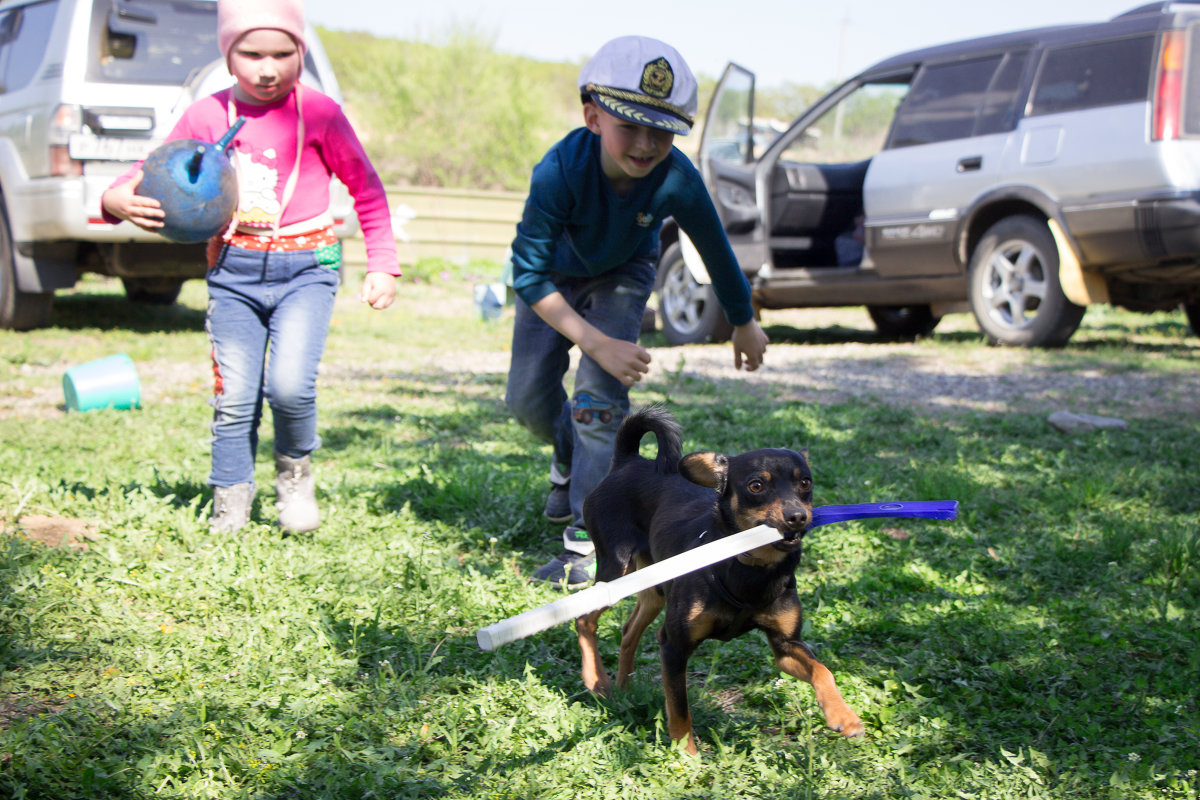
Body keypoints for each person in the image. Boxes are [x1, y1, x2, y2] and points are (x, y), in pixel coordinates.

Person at [101, 0, 400, 534]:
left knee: (289, 387)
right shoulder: (205, 115)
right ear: (228, 55)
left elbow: (366, 187)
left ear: (301, 53)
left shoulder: (321, 113)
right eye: (252, 53)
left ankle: (294, 478)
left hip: (307, 269)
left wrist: (383, 262)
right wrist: (116, 196)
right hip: (234, 271)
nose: (268, 67)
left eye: (283, 53)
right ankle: (231, 503)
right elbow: (154, 170)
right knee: (235, 397)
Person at [506, 35, 770, 587]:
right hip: (551, 280)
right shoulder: (558, 170)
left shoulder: (677, 178)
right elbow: (526, 274)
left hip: (623, 276)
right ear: (593, 116)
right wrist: (595, 341)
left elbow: (716, 250)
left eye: (663, 130)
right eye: (630, 125)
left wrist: (744, 321)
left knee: (599, 407)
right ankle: (566, 455)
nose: (647, 144)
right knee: (527, 399)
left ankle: (585, 540)